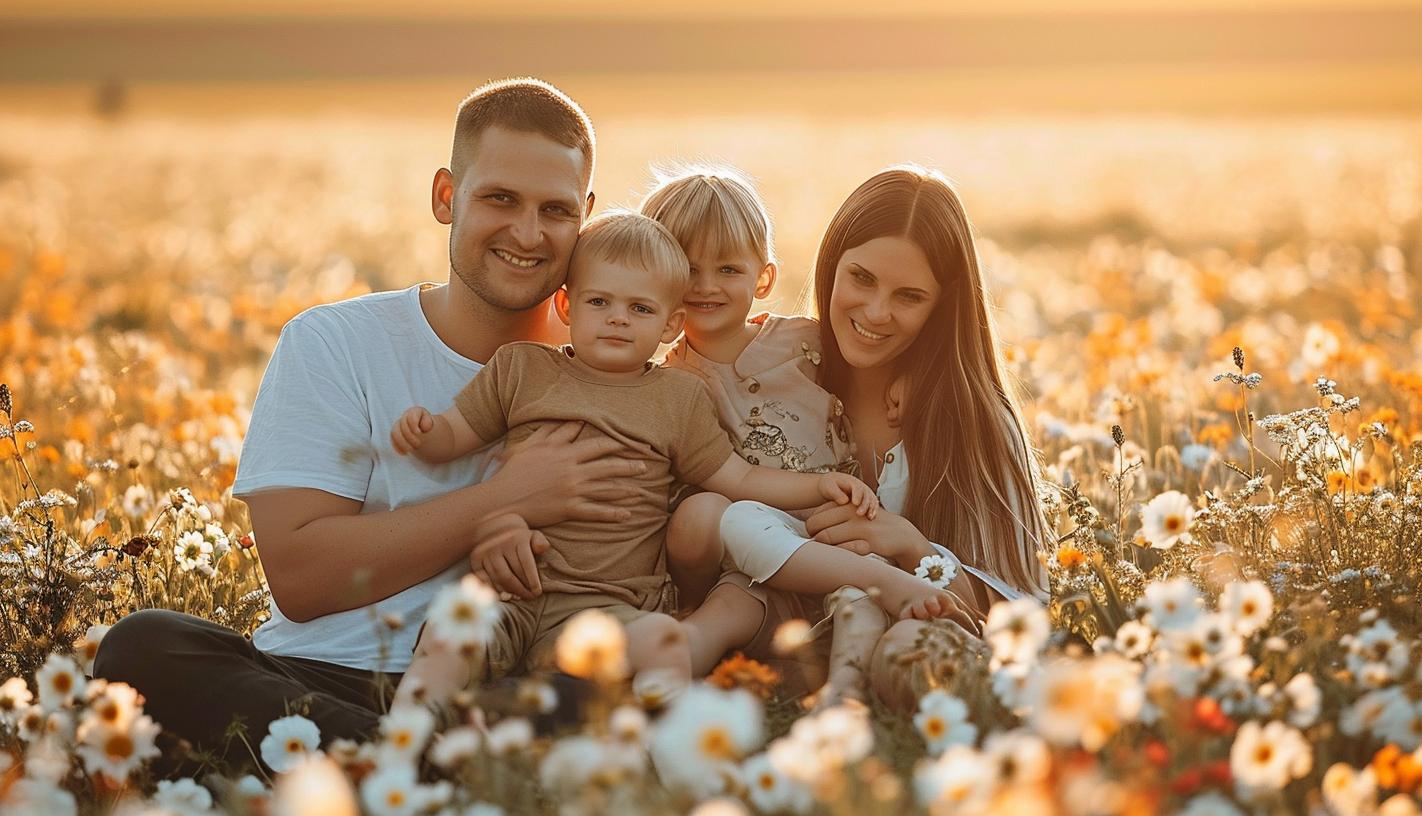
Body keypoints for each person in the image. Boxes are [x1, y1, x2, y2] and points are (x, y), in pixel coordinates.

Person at [92, 78, 637, 761]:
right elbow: (302, 579)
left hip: (502, 685)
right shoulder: (335, 342)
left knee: (609, 686)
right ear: (446, 196)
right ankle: (428, 768)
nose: (527, 234)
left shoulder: (617, 364)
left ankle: (398, 769)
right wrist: (504, 499)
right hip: (313, 681)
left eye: (555, 210)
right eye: (500, 198)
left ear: (584, 216)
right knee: (144, 648)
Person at [389, 210, 900, 707]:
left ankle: (658, 744)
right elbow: (460, 432)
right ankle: (412, 731)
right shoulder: (522, 369)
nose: (617, 318)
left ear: (670, 324)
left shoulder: (677, 397)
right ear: (566, 307)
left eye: (640, 309)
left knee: (665, 640)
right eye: (599, 302)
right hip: (509, 592)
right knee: (452, 627)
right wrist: (428, 433)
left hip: (609, 610)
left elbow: (738, 476)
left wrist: (818, 486)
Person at [678, 165, 1053, 708]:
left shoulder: (970, 418)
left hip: (904, 627)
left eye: (909, 296)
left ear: (942, 306)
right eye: (861, 279)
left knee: (907, 650)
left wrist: (910, 545)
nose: (876, 313)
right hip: (769, 625)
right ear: (831, 267)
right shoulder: (786, 369)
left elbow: (1023, 606)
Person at [638, 165, 974, 699]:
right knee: (728, 544)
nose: (703, 286)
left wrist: (912, 378)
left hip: (841, 535)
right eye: (686, 268)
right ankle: (662, 680)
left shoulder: (803, 343)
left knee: (856, 601)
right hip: (754, 562)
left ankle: (840, 700)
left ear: (764, 279)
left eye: (726, 268)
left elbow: (871, 354)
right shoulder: (663, 383)